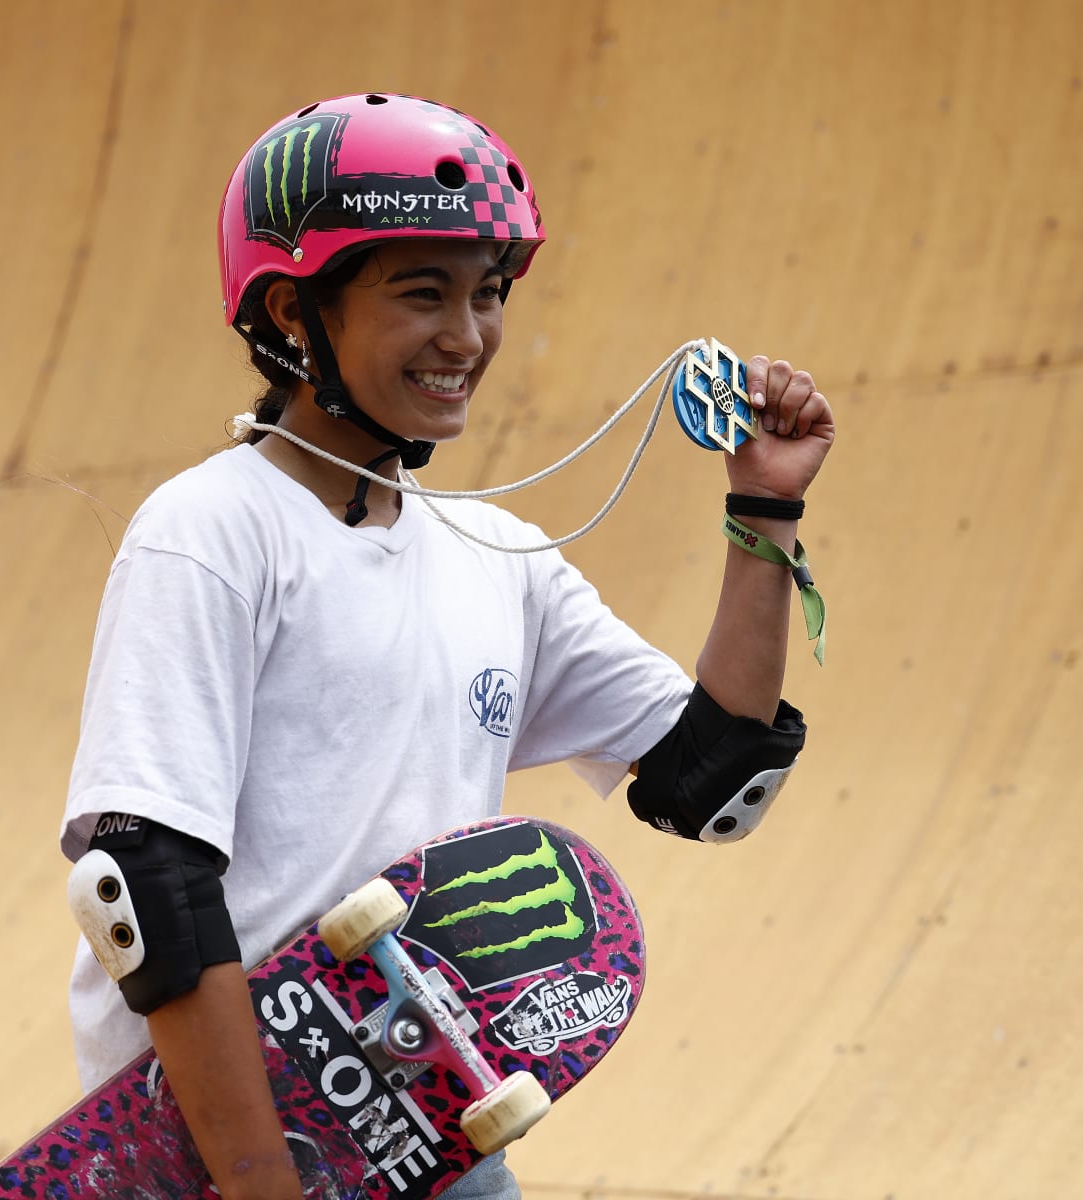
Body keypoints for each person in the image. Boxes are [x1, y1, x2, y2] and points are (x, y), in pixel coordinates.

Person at [59, 92, 834, 1200]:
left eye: (487, 295)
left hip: (430, 1146)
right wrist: (259, 1183)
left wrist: (762, 513)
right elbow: (149, 884)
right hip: (218, 1152)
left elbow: (709, 776)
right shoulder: (211, 531)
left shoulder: (496, 558)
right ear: (292, 311)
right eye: (423, 294)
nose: (467, 336)